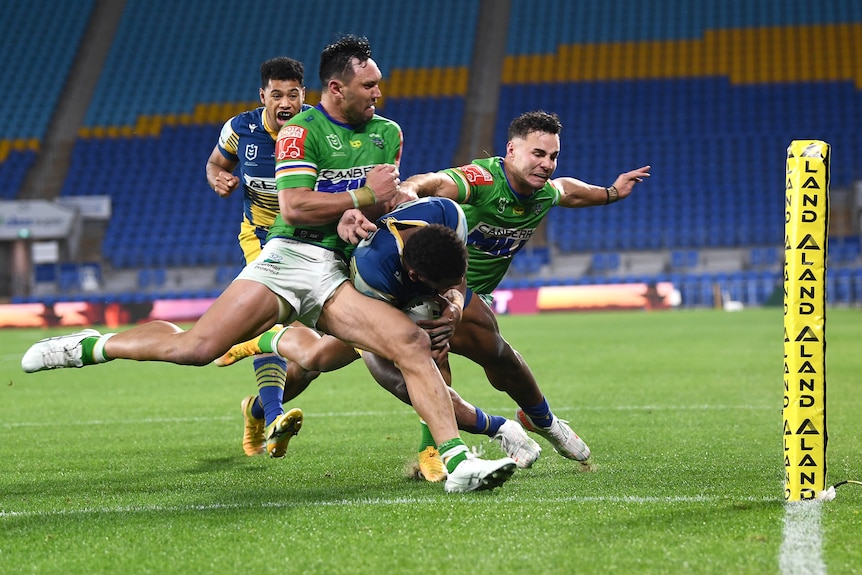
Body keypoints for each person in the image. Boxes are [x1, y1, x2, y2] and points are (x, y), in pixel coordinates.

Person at [20, 34, 516, 494]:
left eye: (379, 85)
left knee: (409, 343)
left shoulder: (388, 133)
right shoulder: (299, 131)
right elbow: (296, 206)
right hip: (288, 258)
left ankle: (456, 463)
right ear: (337, 87)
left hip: (340, 272)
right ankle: (93, 345)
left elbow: (381, 203)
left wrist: (362, 216)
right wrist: (360, 197)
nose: (378, 93)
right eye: (369, 85)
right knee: (195, 347)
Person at [219, 196, 543, 480]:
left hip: (401, 295)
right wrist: (497, 425)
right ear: (417, 277)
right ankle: (262, 343)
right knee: (321, 361)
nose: (447, 289)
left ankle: (430, 449)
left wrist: (454, 308)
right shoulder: (373, 273)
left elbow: (458, 276)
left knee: (426, 359)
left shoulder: (448, 215)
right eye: (440, 286)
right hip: (362, 300)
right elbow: (402, 365)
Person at [204, 56, 317, 457]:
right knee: (270, 315)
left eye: (293, 94)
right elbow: (216, 163)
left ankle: (255, 408)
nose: (285, 102)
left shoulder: (319, 130)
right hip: (263, 236)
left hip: (314, 239)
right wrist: (218, 177)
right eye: (276, 94)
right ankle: (273, 416)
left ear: (305, 94)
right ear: (263, 96)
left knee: (317, 358)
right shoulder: (239, 130)